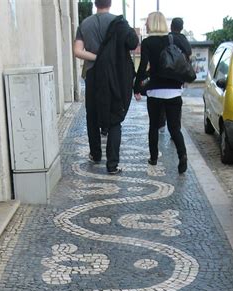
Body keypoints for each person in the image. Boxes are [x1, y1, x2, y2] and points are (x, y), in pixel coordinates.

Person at [74, 0, 138, 174]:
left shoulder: (85, 23)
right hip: (115, 76)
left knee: (92, 114)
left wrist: (97, 57)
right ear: (110, 3)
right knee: (115, 117)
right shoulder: (119, 22)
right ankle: (112, 165)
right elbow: (132, 43)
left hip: (93, 74)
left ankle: (95, 154)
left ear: (95, 3)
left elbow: (77, 51)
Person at [134, 12, 191, 174]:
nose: (145, 25)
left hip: (155, 91)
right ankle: (183, 155)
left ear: (151, 24)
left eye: (147, 23)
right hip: (174, 91)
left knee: (153, 126)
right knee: (174, 128)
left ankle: (153, 157)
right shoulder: (172, 39)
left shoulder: (147, 42)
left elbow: (143, 66)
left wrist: (137, 88)